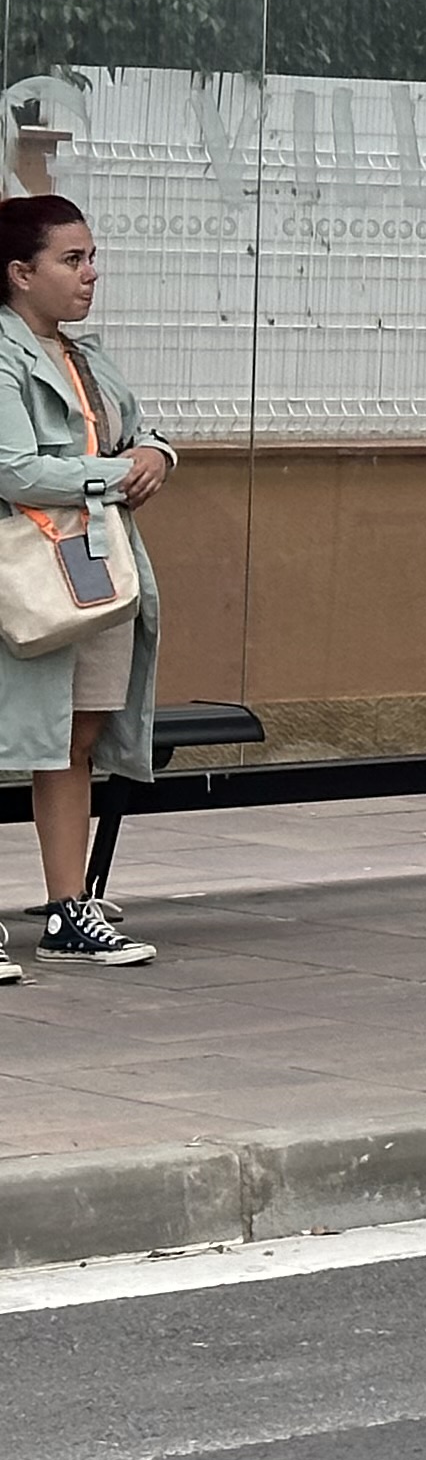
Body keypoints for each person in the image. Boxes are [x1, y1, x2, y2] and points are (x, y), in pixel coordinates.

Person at [0, 196, 168, 971]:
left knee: (77, 738)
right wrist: (115, 474)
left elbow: (142, 433)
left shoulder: (84, 354)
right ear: (19, 273)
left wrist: (158, 455)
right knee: (11, 736)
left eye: (91, 256)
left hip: (95, 568)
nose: (90, 274)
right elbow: (14, 468)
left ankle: (69, 909)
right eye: (72, 260)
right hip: (24, 573)